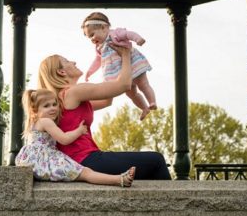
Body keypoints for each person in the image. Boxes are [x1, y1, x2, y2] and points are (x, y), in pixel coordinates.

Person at [37, 49, 171, 180]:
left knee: (147, 169)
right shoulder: (73, 92)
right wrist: (125, 54)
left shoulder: (64, 97)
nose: (74, 62)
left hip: (82, 159)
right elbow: (124, 85)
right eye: (67, 61)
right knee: (156, 161)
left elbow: (107, 100)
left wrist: (109, 61)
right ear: (61, 71)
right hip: (84, 159)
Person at [15, 89, 135, 186]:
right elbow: (64, 139)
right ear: (35, 110)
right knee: (85, 173)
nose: (53, 108)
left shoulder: (36, 122)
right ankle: (119, 179)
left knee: (85, 172)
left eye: (54, 104)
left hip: (34, 160)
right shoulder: (46, 121)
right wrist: (79, 131)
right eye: (46, 106)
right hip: (44, 160)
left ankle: (119, 179)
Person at [82, 11, 157, 120]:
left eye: (92, 34)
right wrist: (90, 71)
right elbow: (97, 60)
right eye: (89, 38)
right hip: (121, 74)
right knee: (131, 94)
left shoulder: (115, 34)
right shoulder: (99, 47)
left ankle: (152, 102)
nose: (92, 39)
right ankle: (144, 108)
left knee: (143, 85)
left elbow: (129, 34)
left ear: (104, 27)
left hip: (133, 64)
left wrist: (138, 39)